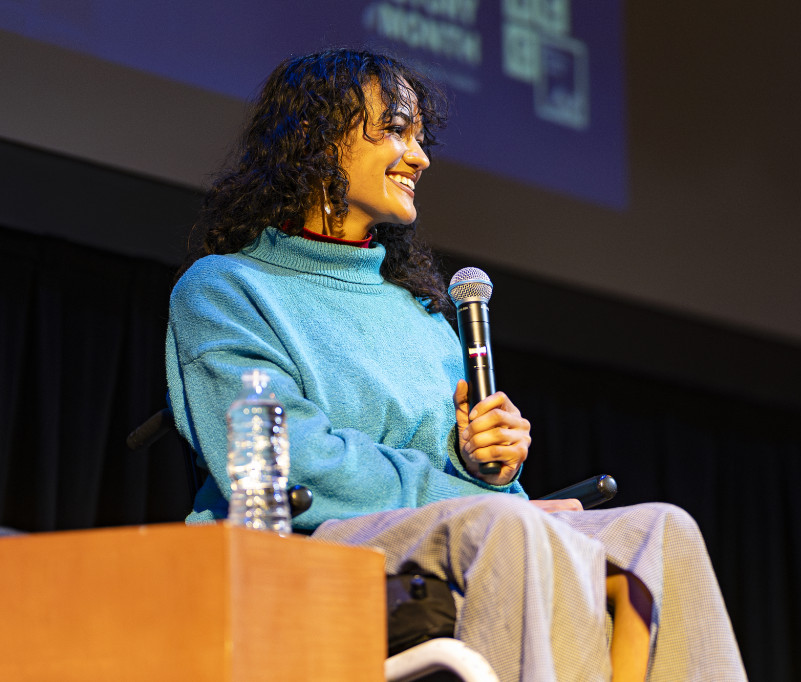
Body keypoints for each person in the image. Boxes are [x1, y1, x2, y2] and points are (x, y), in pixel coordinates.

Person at [166, 49, 746, 681]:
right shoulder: (227, 288)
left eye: (420, 136)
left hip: (455, 532)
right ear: (312, 136)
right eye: (394, 130)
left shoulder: (419, 313)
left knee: (662, 533)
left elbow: (476, 498)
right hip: (310, 546)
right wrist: (481, 497)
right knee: (506, 528)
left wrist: (490, 466)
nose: (420, 157)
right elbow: (290, 464)